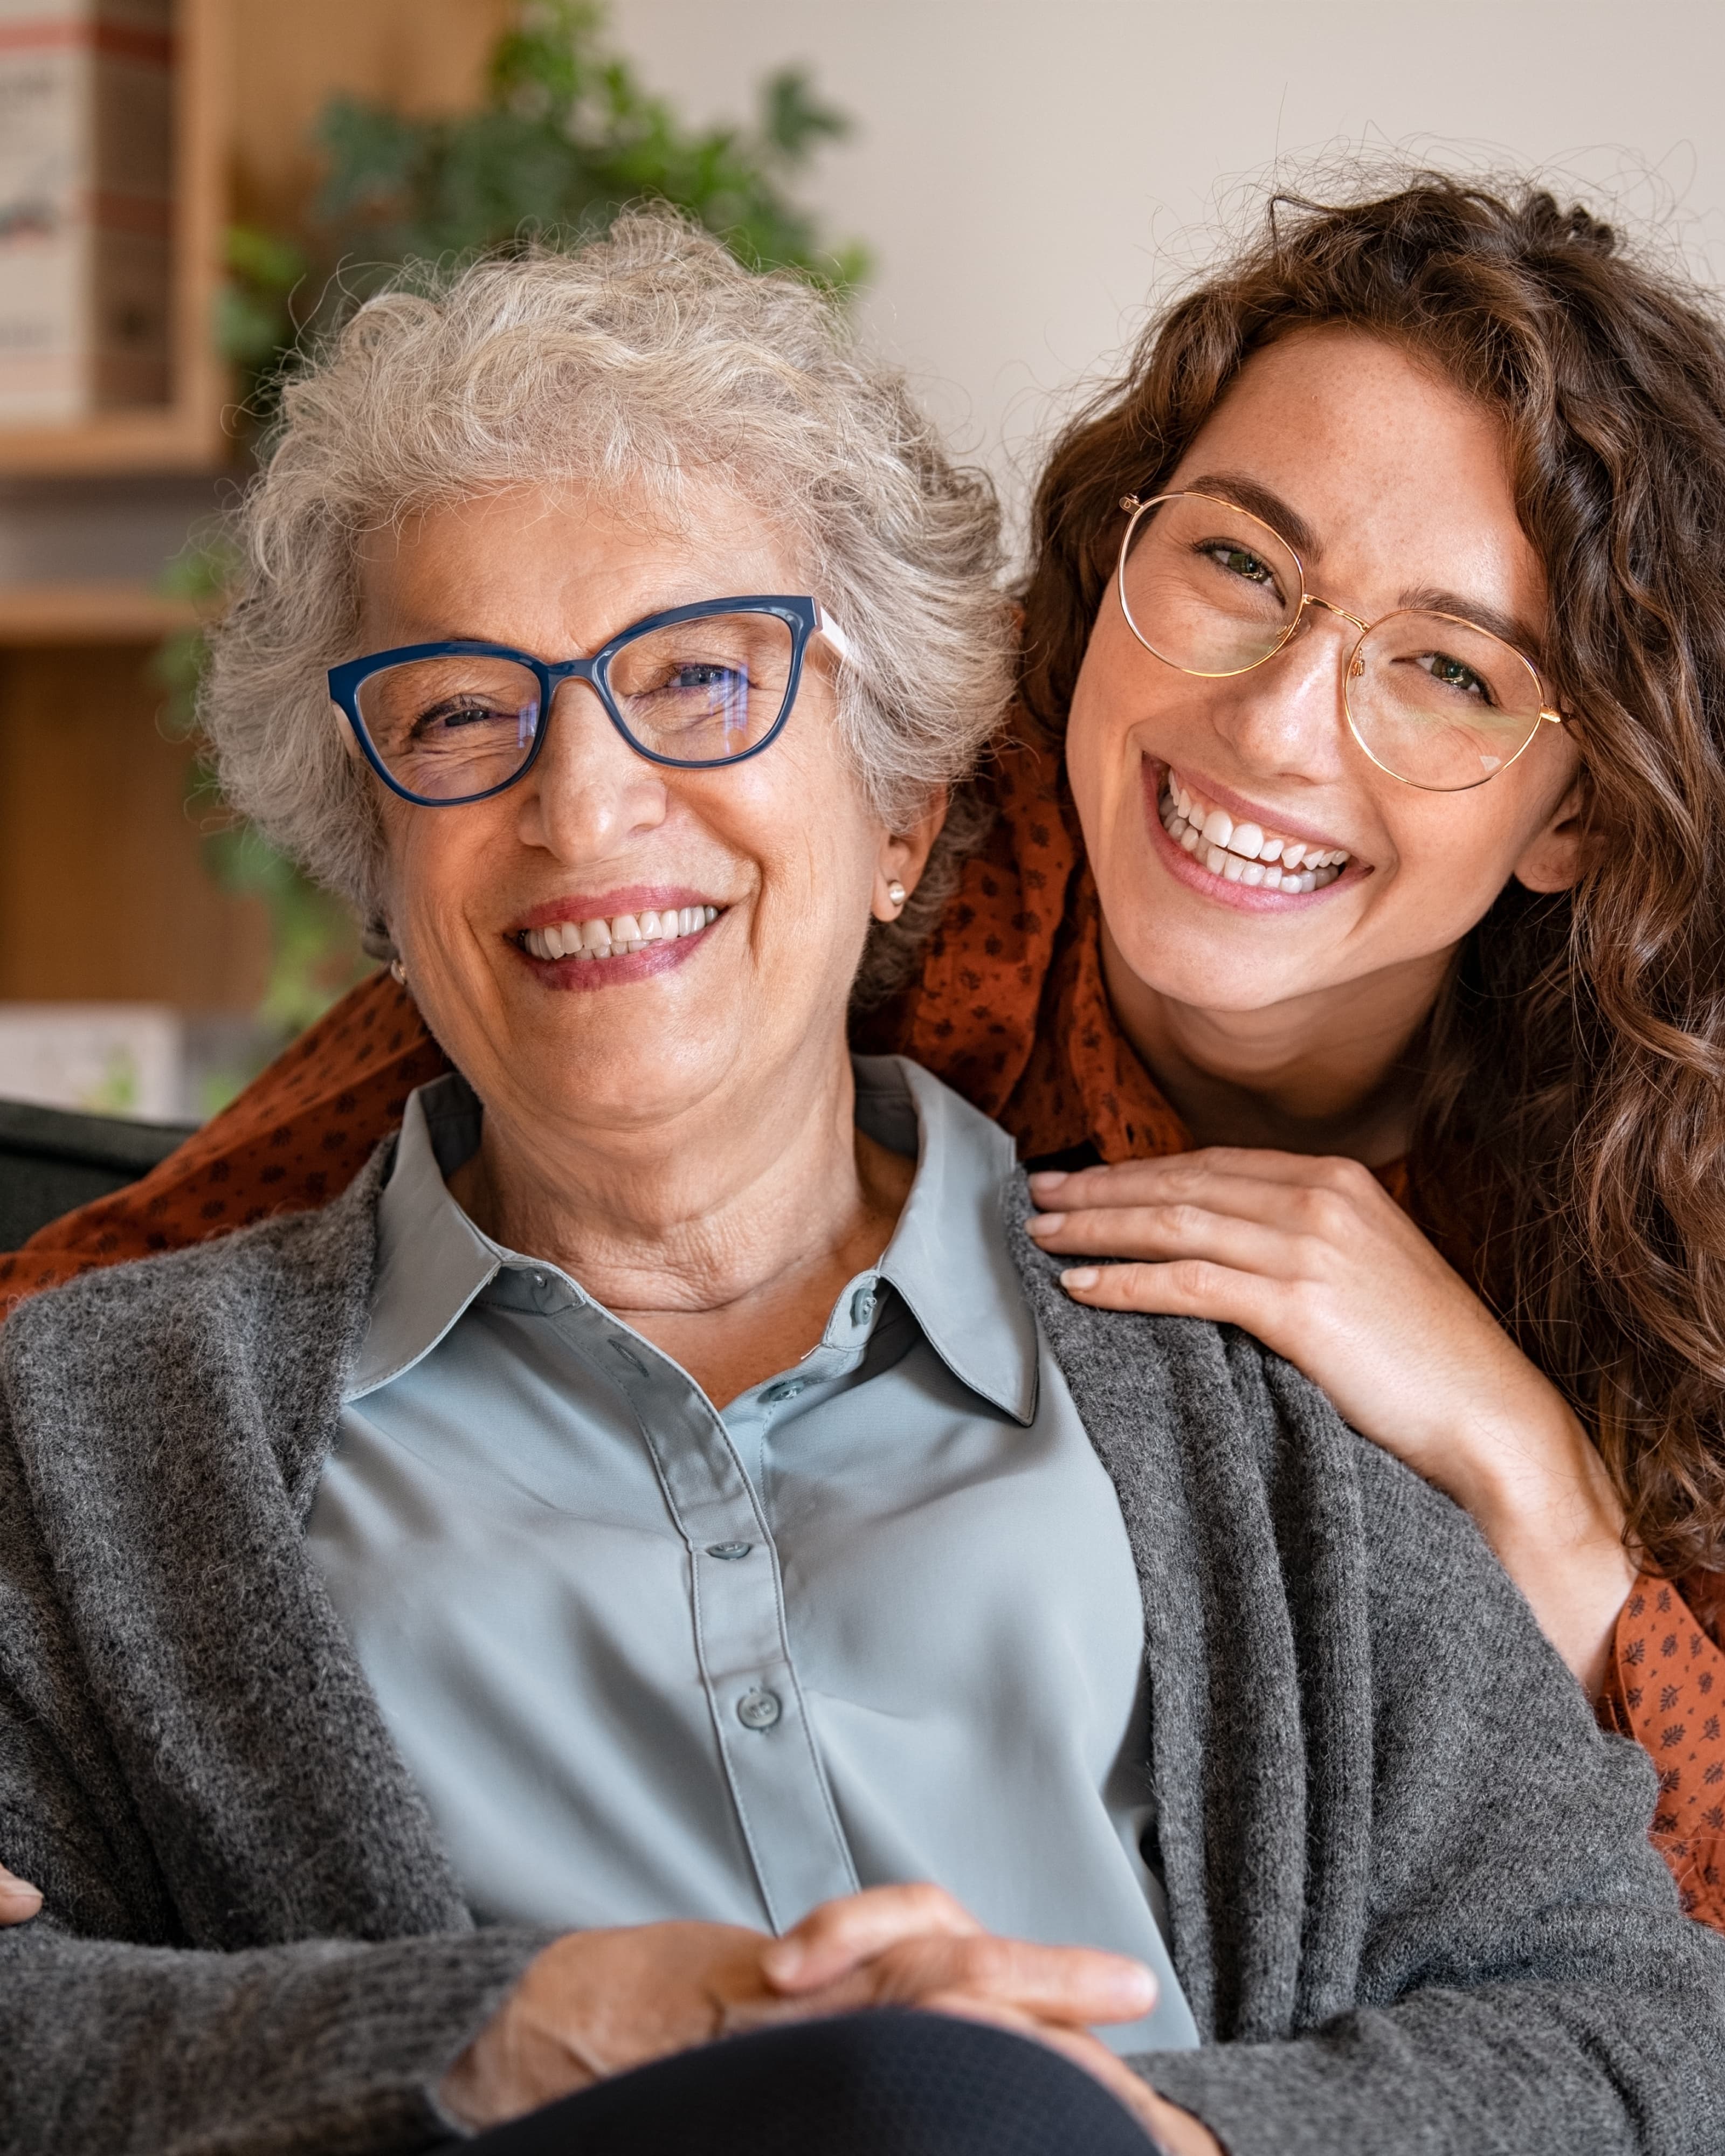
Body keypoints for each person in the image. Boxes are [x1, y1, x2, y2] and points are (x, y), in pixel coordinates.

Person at [1, 213, 1719, 2156]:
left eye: (709, 680)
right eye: (465, 717)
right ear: (374, 859)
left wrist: (1160, 2139)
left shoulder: (1287, 1409)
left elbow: (1644, 2026)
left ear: (905, 806)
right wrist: (496, 2030)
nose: (590, 808)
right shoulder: (107, 1435)